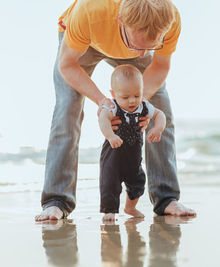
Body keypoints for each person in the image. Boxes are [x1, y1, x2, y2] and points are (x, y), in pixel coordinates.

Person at [35, 0, 196, 221]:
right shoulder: (91, 11)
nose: (142, 55)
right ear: (121, 20)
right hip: (84, 42)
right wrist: (103, 101)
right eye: (138, 46)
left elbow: (159, 66)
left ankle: (166, 198)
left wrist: (139, 104)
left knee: (159, 104)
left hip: (125, 37)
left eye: (150, 46)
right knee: (67, 107)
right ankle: (56, 201)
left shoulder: (170, 19)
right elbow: (67, 64)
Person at [99, 64, 166, 221]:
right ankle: (109, 212)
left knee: (138, 182)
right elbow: (103, 118)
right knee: (110, 183)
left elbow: (160, 114)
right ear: (113, 94)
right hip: (113, 156)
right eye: (125, 97)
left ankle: (130, 207)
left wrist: (158, 128)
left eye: (137, 95)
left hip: (133, 157)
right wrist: (110, 136)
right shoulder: (113, 107)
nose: (132, 100)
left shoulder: (144, 106)